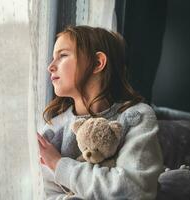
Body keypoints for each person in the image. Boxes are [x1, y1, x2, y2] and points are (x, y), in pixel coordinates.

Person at [37, 25, 163, 200]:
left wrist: (59, 165)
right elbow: (45, 194)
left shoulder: (136, 117)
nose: (50, 67)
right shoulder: (52, 131)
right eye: (52, 58)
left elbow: (135, 190)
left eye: (63, 55)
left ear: (97, 63)